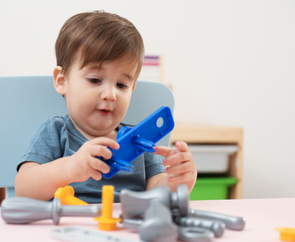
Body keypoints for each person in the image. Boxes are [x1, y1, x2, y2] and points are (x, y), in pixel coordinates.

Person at [15, 10, 197, 203]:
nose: (110, 95)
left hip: (126, 227)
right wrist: (69, 168)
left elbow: (159, 194)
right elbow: (24, 188)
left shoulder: (139, 140)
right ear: (62, 81)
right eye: (95, 80)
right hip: (69, 225)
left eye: (121, 85)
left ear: (132, 89)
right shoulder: (56, 131)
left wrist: (180, 180)